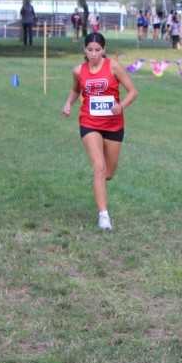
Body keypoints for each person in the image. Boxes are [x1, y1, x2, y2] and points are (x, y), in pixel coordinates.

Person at [62, 32, 138, 231]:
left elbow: (133, 91)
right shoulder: (78, 71)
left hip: (114, 125)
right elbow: (76, 90)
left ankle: (99, 186)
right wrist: (68, 103)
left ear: (104, 49)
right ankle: (104, 216)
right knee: (99, 168)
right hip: (89, 123)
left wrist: (121, 106)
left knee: (108, 173)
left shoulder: (113, 67)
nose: (93, 54)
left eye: (97, 50)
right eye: (90, 50)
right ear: (84, 50)